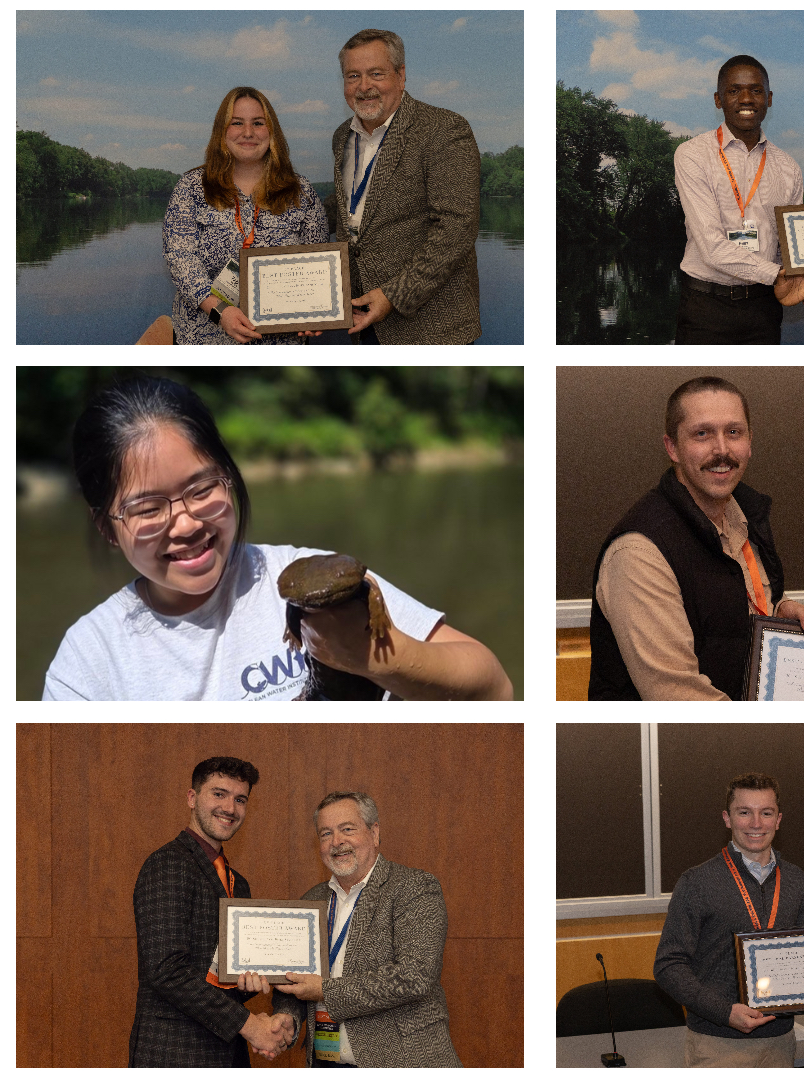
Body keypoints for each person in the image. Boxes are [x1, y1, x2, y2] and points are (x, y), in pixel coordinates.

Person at [42, 376, 513, 700]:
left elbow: (495, 688)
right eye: (147, 508)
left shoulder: (305, 574)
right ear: (106, 526)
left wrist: (377, 660)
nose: (185, 524)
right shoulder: (88, 662)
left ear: (229, 477)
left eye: (201, 488)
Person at [589, 376, 804, 700]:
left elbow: (723, 613)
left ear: (749, 442)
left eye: (734, 432)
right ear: (672, 447)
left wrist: (777, 614)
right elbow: (678, 696)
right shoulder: (639, 553)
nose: (722, 450)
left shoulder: (745, 519)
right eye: (702, 434)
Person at [258, 791, 461, 1067]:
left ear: (374, 833)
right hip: (324, 1062)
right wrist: (287, 1018)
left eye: (347, 829)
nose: (337, 842)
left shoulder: (414, 888)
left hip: (402, 1061)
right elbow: (295, 979)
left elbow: (415, 976)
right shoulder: (311, 901)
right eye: (326, 833)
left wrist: (326, 991)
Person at [654, 773, 804, 1067]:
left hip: (781, 1043)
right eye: (744, 812)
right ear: (727, 818)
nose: (756, 823)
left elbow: (799, 955)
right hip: (717, 1044)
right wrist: (724, 1012)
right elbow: (668, 965)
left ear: (778, 819)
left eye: (766, 813)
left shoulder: (796, 880)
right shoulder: (696, 883)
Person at [129, 757, 295, 1065]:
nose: (230, 808)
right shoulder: (168, 864)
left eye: (240, 799)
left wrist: (248, 984)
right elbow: (166, 971)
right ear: (192, 798)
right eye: (219, 794)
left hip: (226, 1053)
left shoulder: (237, 883)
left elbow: (216, 978)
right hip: (173, 1053)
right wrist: (249, 1025)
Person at [332, 29, 481, 345]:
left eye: (376, 74)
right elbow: (355, 205)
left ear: (401, 76)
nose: (364, 86)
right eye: (352, 76)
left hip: (433, 329)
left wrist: (393, 296)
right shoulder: (342, 136)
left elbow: (457, 228)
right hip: (365, 321)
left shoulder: (444, 129)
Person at [672, 54, 804, 345]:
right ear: (718, 100)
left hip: (763, 308)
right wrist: (779, 275)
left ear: (768, 98)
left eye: (755, 90)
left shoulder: (788, 167)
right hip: (706, 307)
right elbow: (712, 248)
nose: (746, 99)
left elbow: (790, 247)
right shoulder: (692, 155)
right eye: (734, 90)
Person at [163, 86, 328, 344]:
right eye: (237, 123)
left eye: (258, 123)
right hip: (205, 342)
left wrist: (314, 312)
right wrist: (220, 311)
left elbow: (318, 264)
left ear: (271, 131)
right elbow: (180, 259)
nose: (248, 132)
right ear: (222, 131)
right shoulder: (192, 188)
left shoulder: (301, 192)